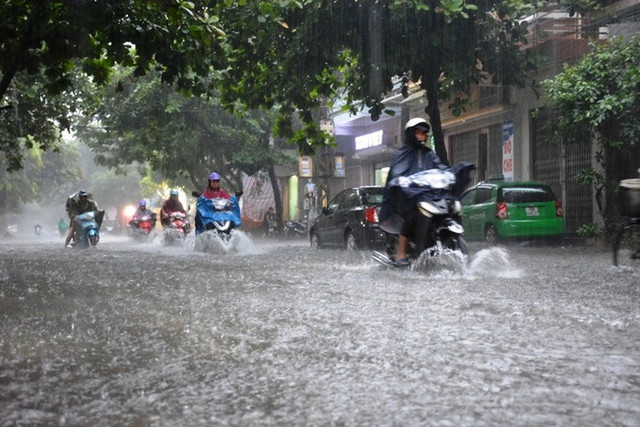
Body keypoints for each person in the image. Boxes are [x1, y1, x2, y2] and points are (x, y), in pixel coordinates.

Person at [379, 117, 448, 266]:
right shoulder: (401, 154)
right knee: (412, 214)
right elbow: (396, 173)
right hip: (408, 198)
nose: (421, 136)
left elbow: (439, 167)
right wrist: (403, 181)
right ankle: (401, 252)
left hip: (428, 196)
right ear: (411, 134)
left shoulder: (429, 154)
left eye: (424, 133)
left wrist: (449, 175)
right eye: (418, 132)